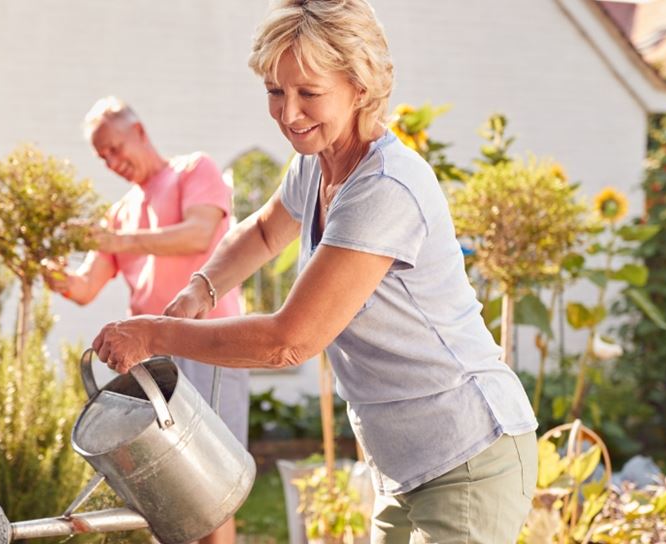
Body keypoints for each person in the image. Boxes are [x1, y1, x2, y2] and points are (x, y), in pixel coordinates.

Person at [89, 1, 539, 542]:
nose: (288, 113)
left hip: (468, 453)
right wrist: (201, 288)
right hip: (405, 466)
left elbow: (290, 342)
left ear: (360, 86)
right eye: (276, 92)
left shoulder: (384, 188)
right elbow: (261, 232)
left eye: (309, 92)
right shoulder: (316, 164)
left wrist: (155, 334)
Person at [43, 96, 250, 544]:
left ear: (138, 131)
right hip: (152, 361)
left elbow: (198, 233)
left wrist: (119, 239)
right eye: (103, 157)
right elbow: (83, 288)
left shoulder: (194, 171)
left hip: (210, 344)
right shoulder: (119, 213)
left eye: (115, 148)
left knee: (212, 487)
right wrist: (40, 263)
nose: (113, 162)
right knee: (163, 486)